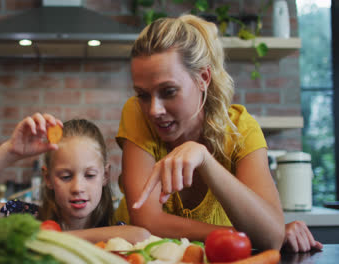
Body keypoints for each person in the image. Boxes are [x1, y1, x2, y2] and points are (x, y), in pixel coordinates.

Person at [113, 14, 322, 252]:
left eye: (168, 91)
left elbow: (271, 237)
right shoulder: (136, 114)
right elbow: (148, 221)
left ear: (203, 78)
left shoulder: (242, 131)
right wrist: (245, 234)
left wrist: (204, 159)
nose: (154, 110)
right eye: (143, 95)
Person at [0, 113, 150, 244]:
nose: (78, 187)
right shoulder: (29, 219)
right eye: (66, 176)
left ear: (105, 176)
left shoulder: (113, 231)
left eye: (89, 175)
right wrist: (10, 151)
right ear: (48, 178)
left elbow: (141, 236)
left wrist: (53, 239)